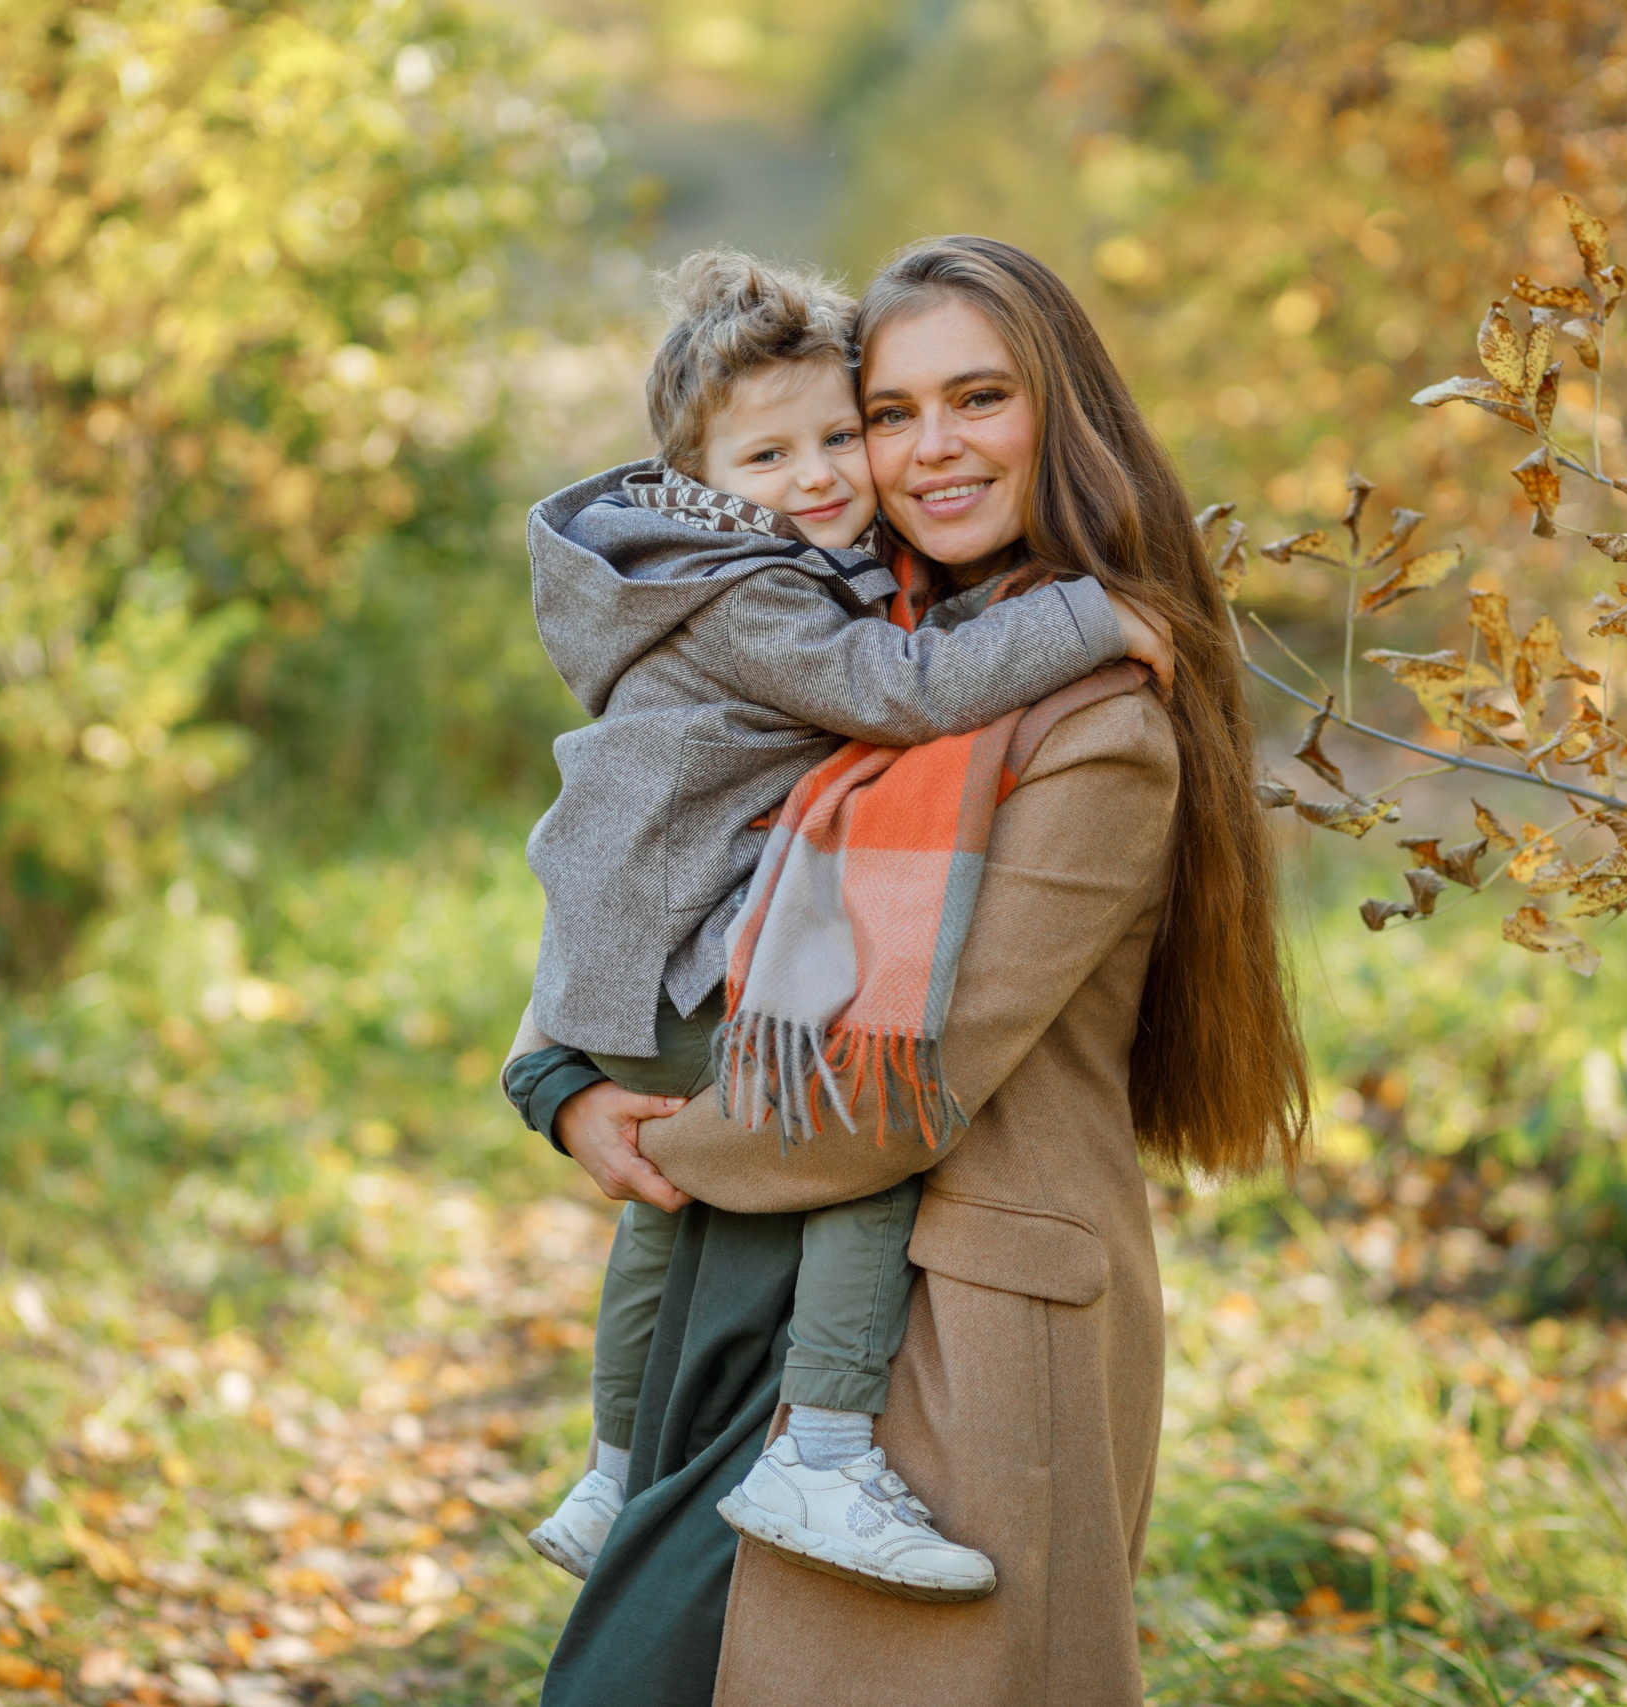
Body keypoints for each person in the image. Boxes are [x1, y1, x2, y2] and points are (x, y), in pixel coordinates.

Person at [522, 236, 1310, 1707]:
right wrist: (562, 1080)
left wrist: (660, 1141)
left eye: (980, 399)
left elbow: (903, 1088)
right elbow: (662, 855)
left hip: (959, 1324)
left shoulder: (1088, 713)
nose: (925, 450)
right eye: (891, 413)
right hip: (771, 1280)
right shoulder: (855, 645)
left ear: (1061, 417)